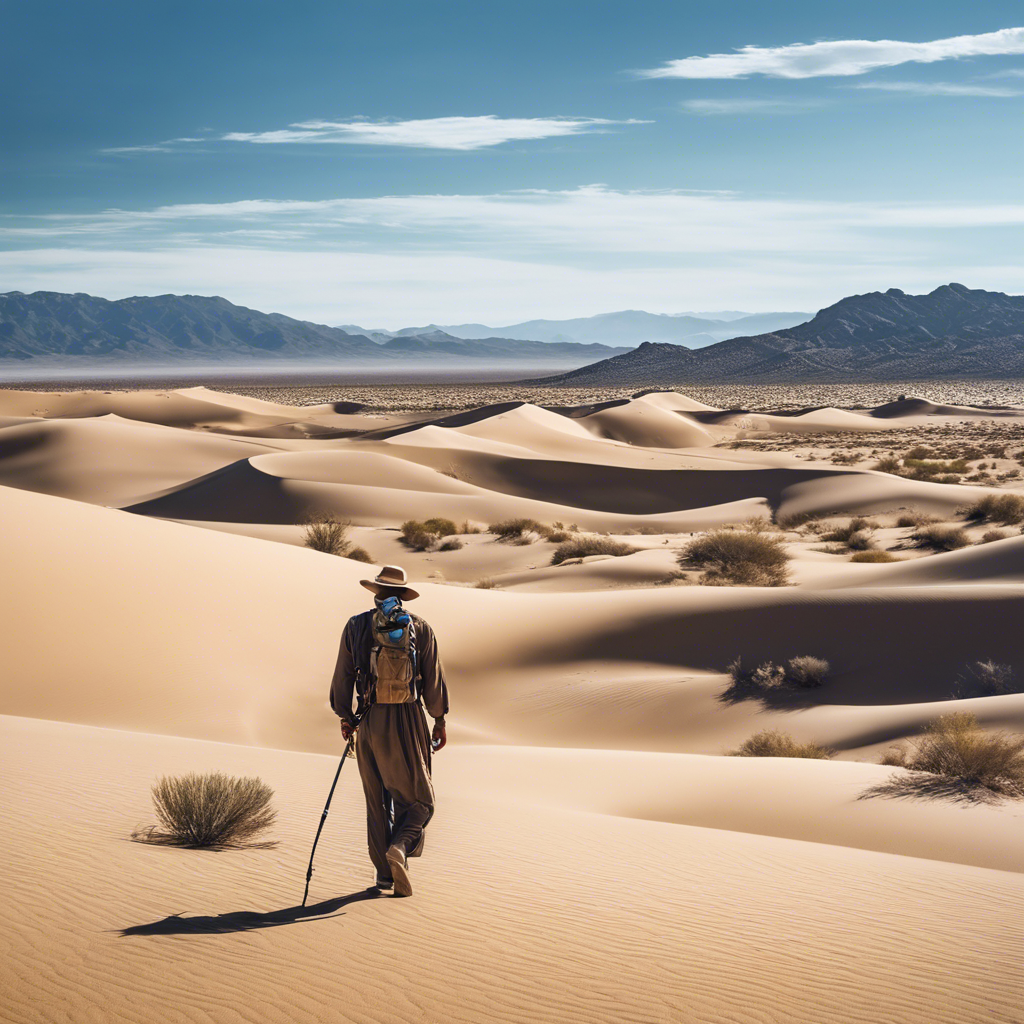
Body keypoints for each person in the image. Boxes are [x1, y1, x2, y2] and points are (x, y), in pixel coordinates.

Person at [329, 565, 449, 897]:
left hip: (367, 720)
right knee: (420, 801)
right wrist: (438, 720)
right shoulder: (420, 628)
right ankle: (400, 846)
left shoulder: (355, 626)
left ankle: (383, 877)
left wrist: (346, 717)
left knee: (376, 801)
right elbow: (433, 682)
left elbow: (343, 678)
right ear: (403, 594)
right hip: (408, 720)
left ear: (375, 592)